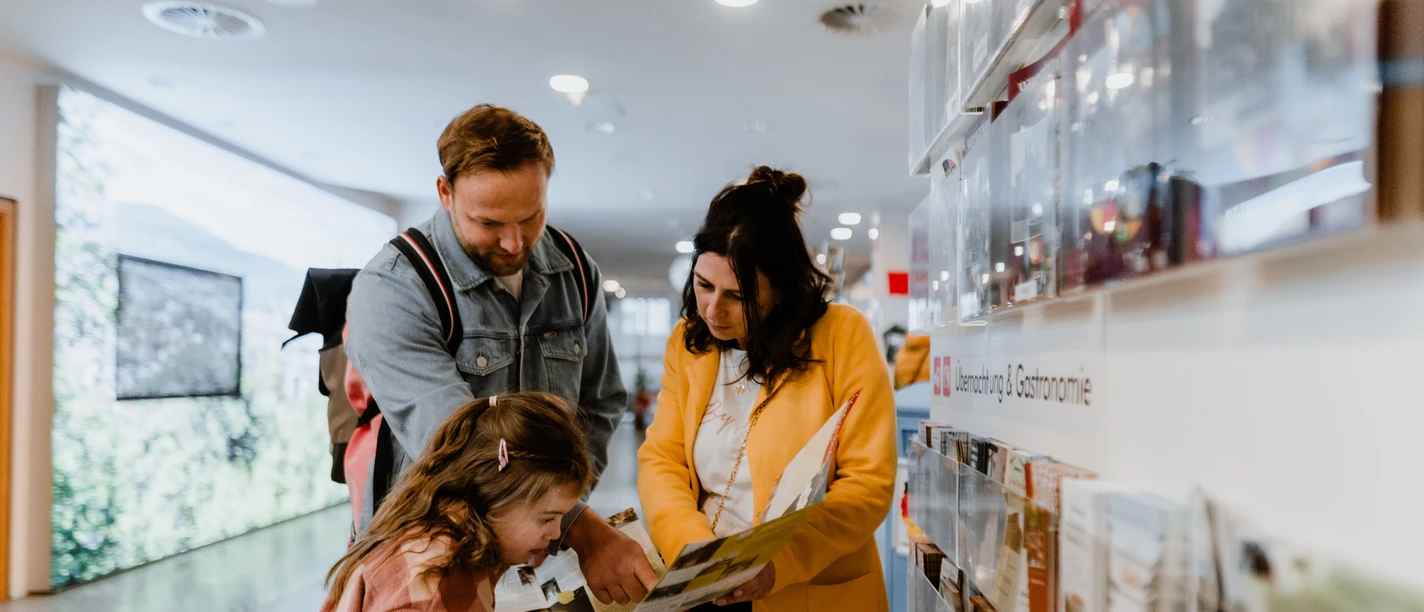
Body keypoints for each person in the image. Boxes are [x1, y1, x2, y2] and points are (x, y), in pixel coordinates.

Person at [345, 104, 656, 604]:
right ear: (445, 193)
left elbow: (599, 405)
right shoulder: (393, 288)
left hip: (539, 564)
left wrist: (553, 518)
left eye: (531, 217)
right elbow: (461, 447)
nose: (514, 243)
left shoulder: (574, 270)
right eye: (488, 222)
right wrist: (578, 526)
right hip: (436, 564)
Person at [637, 167, 897, 612]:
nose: (712, 310)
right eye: (703, 285)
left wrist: (780, 561)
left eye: (737, 296)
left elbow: (868, 482)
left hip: (807, 590)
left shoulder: (842, 336)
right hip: (704, 584)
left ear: (780, 291)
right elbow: (662, 460)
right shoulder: (688, 343)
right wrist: (696, 552)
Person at [322, 393, 592, 612]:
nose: (555, 533)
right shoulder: (431, 595)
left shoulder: (465, 539)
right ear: (493, 496)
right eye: (546, 518)